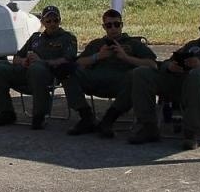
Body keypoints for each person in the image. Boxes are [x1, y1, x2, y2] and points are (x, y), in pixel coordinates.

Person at [128, 9, 200, 150]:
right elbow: (166, 62)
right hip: (180, 80)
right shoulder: (193, 45)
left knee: (197, 74)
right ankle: (148, 126)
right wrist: (170, 66)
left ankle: (191, 132)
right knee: (141, 73)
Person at [64, 8, 159, 137]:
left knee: (136, 76)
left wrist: (126, 57)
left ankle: (108, 120)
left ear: (122, 25)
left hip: (121, 82)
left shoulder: (133, 44)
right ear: (104, 27)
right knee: (68, 70)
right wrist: (98, 56)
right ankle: (86, 117)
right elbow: (78, 62)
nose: (113, 28)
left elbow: (152, 65)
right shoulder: (97, 43)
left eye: (117, 24)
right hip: (95, 79)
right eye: (109, 25)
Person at [0, 5, 78, 129]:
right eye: (48, 20)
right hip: (26, 72)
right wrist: (23, 61)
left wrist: (42, 61)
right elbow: (16, 58)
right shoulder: (36, 38)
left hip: (48, 74)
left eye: (55, 20)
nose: (52, 23)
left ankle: (39, 115)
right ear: (42, 22)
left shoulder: (67, 38)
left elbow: (68, 60)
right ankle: (6, 112)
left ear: (60, 20)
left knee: (37, 68)